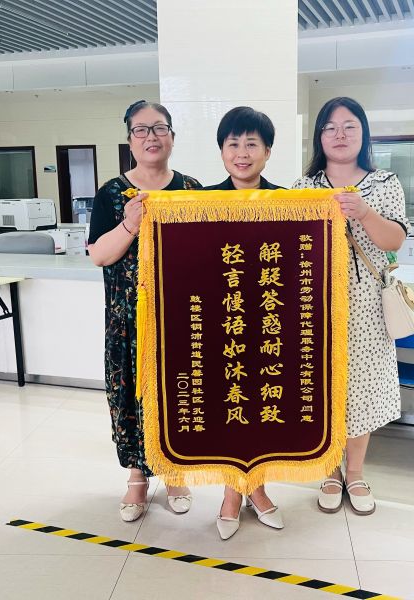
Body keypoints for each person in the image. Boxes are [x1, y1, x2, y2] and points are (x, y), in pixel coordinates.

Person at [293, 96, 410, 516]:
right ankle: (329, 470)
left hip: (365, 305)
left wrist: (362, 211)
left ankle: (355, 473)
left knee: (361, 389)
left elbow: (395, 240)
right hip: (313, 304)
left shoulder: (385, 183)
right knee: (321, 387)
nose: (339, 135)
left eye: (349, 126)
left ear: (364, 134)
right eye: (330, 127)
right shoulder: (303, 188)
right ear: (319, 137)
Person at [88, 100, 202, 523]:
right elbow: (99, 255)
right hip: (128, 321)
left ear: (172, 136)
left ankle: (173, 471)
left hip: (180, 321)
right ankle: (137, 477)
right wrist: (130, 224)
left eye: (159, 128)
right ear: (130, 139)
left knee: (177, 394)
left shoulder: (192, 190)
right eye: (141, 129)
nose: (151, 137)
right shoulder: (111, 193)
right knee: (131, 396)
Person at [203, 106, 284, 539]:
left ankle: (257, 487)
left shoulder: (290, 204)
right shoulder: (199, 204)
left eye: (252, 144)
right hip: (221, 324)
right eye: (233, 143)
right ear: (221, 151)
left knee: (264, 411)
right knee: (229, 409)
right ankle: (233, 493)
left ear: (267, 152)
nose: (242, 152)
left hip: (271, 323)